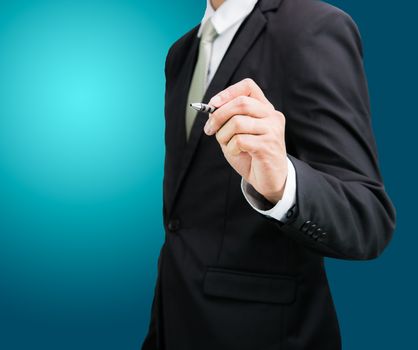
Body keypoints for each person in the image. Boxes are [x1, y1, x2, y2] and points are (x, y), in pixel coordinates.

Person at [141, 0, 396, 349]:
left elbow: (368, 218)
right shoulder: (181, 53)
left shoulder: (314, 27)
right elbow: (182, 223)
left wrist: (282, 184)